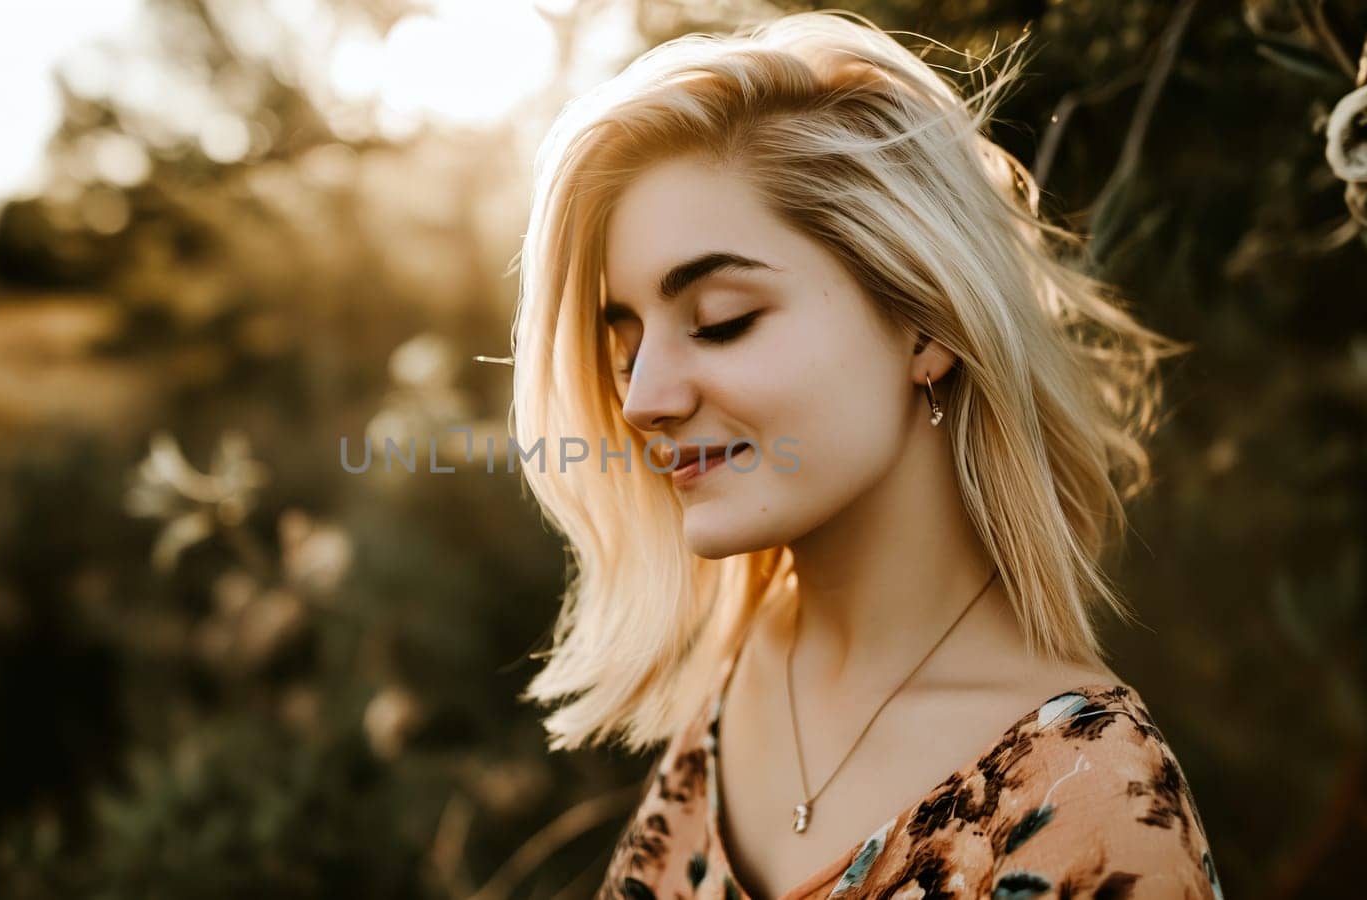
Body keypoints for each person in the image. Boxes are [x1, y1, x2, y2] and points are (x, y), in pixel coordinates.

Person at [507, 9, 1223, 899]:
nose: (644, 398)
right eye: (627, 347)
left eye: (721, 322)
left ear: (925, 323)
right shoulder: (736, 671)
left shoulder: (1092, 809)